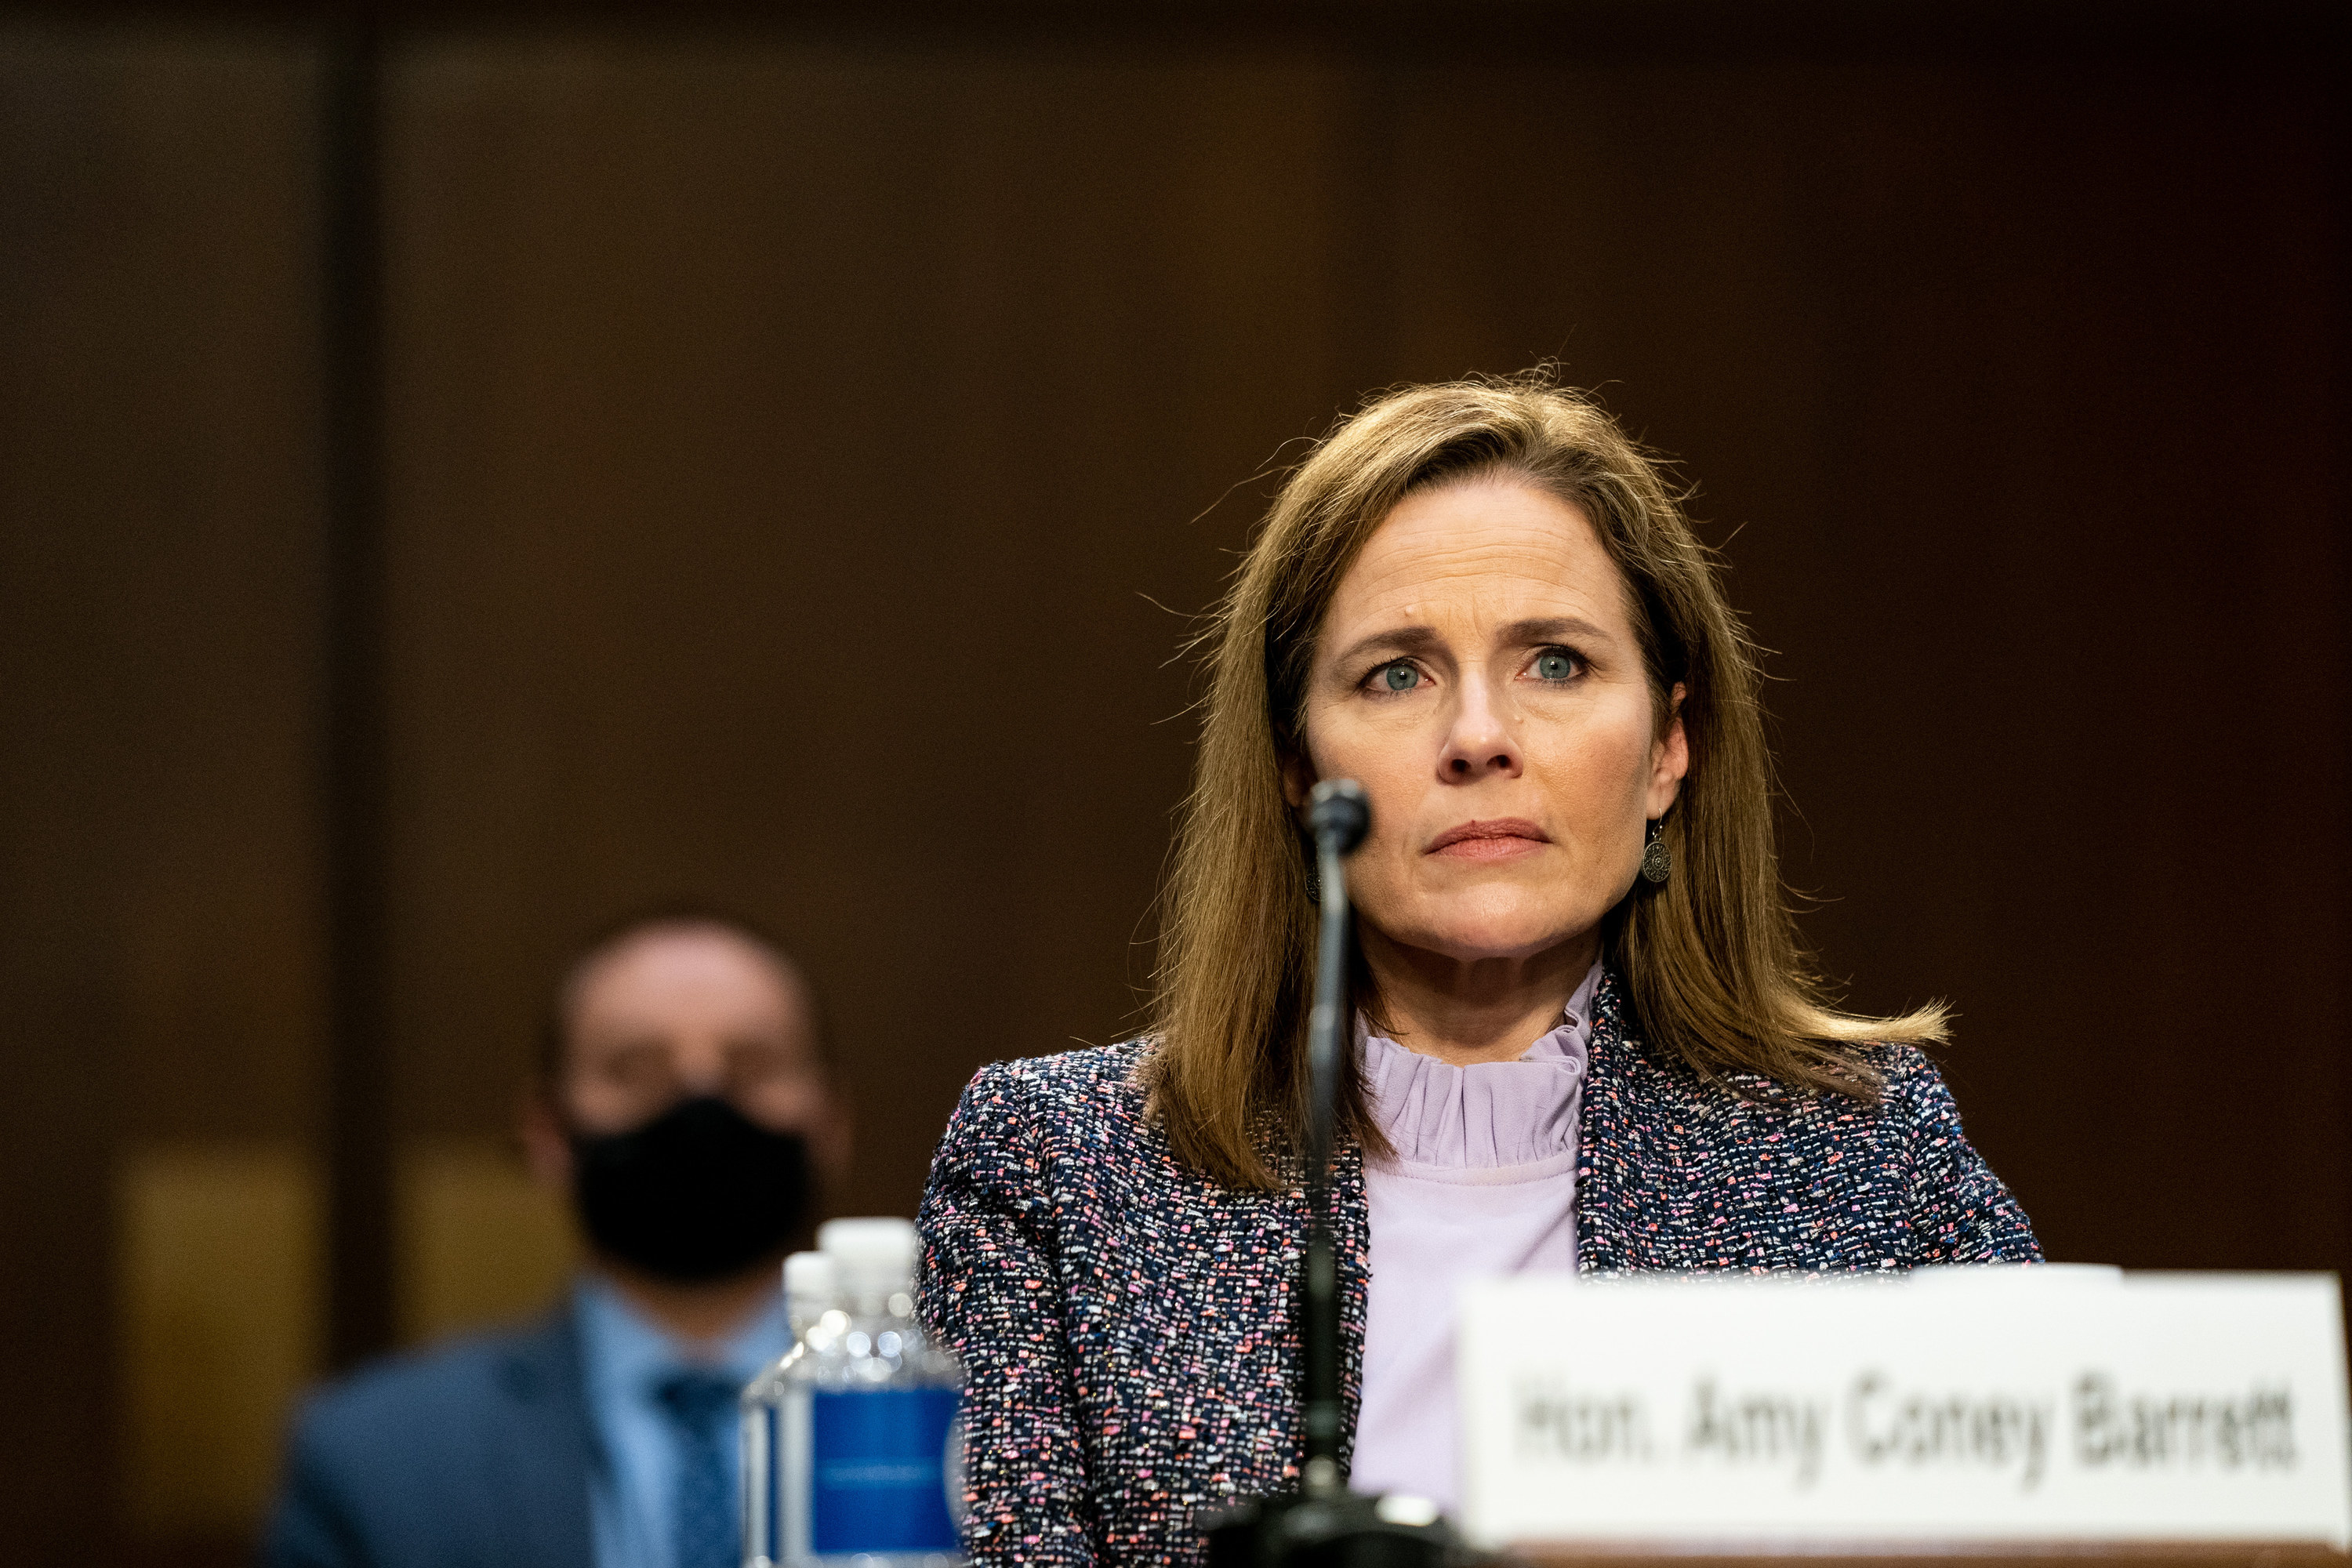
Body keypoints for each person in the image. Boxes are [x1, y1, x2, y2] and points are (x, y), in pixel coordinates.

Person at [917, 375, 2041, 1567]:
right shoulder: (1059, 1170)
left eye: (1554, 663)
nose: (1478, 737)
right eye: (1396, 673)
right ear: (1300, 770)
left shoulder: (1862, 1152)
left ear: (1669, 747)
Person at [265, 908, 849, 1568]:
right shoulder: (375, 1457)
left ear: (828, 1122)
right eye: (635, 1068)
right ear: (549, 1133)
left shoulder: (967, 1426)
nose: (699, 1101)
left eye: (753, 1065)